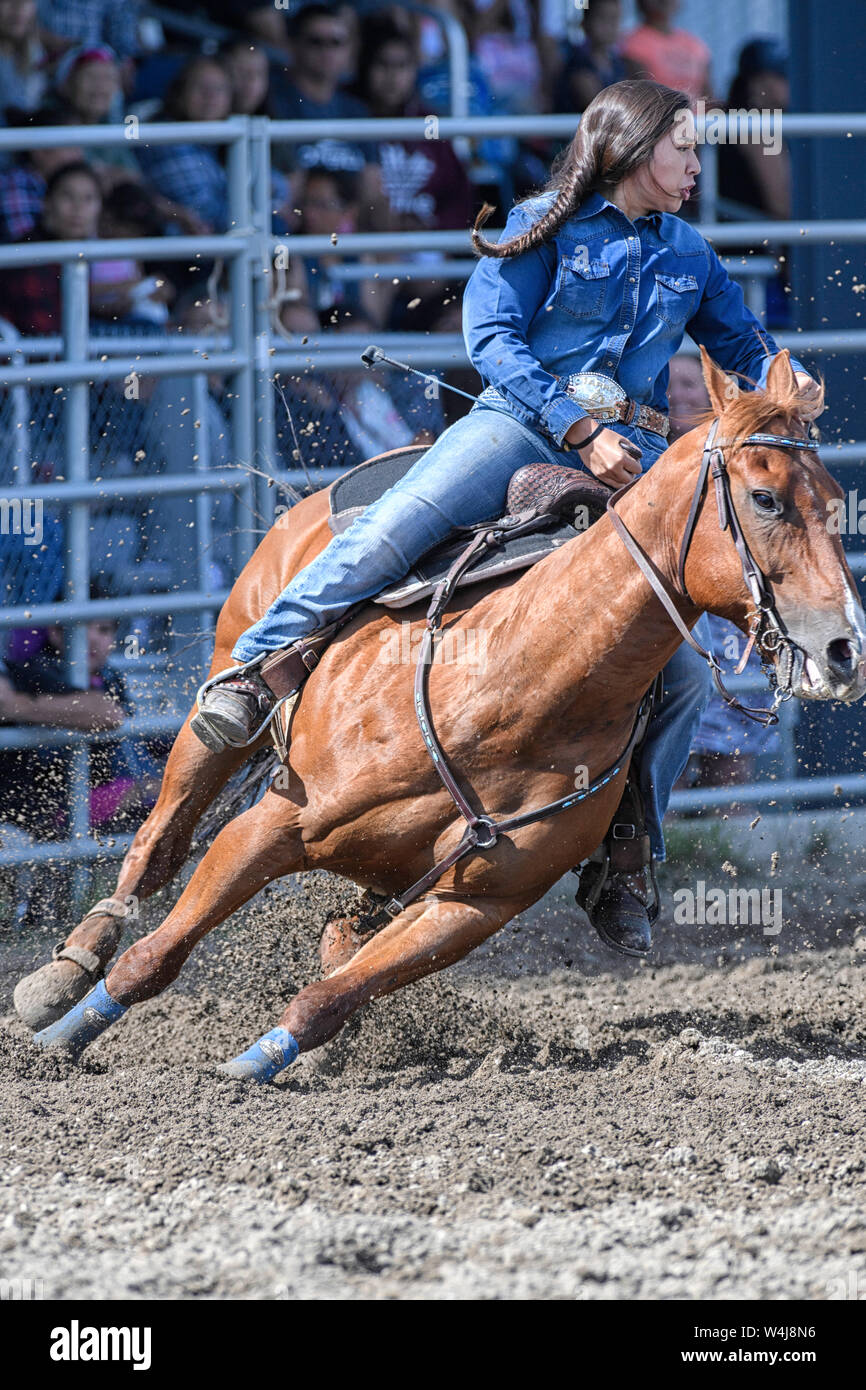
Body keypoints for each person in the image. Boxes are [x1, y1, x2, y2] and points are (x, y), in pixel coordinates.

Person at [192, 80, 822, 958]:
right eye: (684, 146)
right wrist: (577, 425)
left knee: (673, 670)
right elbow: (491, 340)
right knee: (390, 531)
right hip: (518, 426)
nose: (694, 164)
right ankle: (255, 670)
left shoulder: (690, 253)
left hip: (625, 462)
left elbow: (741, 344)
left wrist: (783, 377)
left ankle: (627, 856)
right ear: (636, 149)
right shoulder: (541, 223)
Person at [665, 353, 780, 793]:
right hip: (681, 618)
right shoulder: (637, 455)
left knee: (731, 759)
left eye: (690, 384)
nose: (678, 394)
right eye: (669, 385)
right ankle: (673, 841)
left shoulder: (741, 456)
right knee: (670, 748)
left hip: (730, 618)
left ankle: (728, 841)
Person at [620, 0, 711, 104]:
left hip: (698, 119)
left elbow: (709, 96)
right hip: (660, 118)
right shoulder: (631, 44)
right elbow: (643, 98)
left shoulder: (695, 44)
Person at [554, 0, 627, 114]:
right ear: (585, 22)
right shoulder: (578, 63)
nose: (610, 26)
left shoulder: (617, 62)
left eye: (614, 19)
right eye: (603, 18)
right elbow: (598, 107)